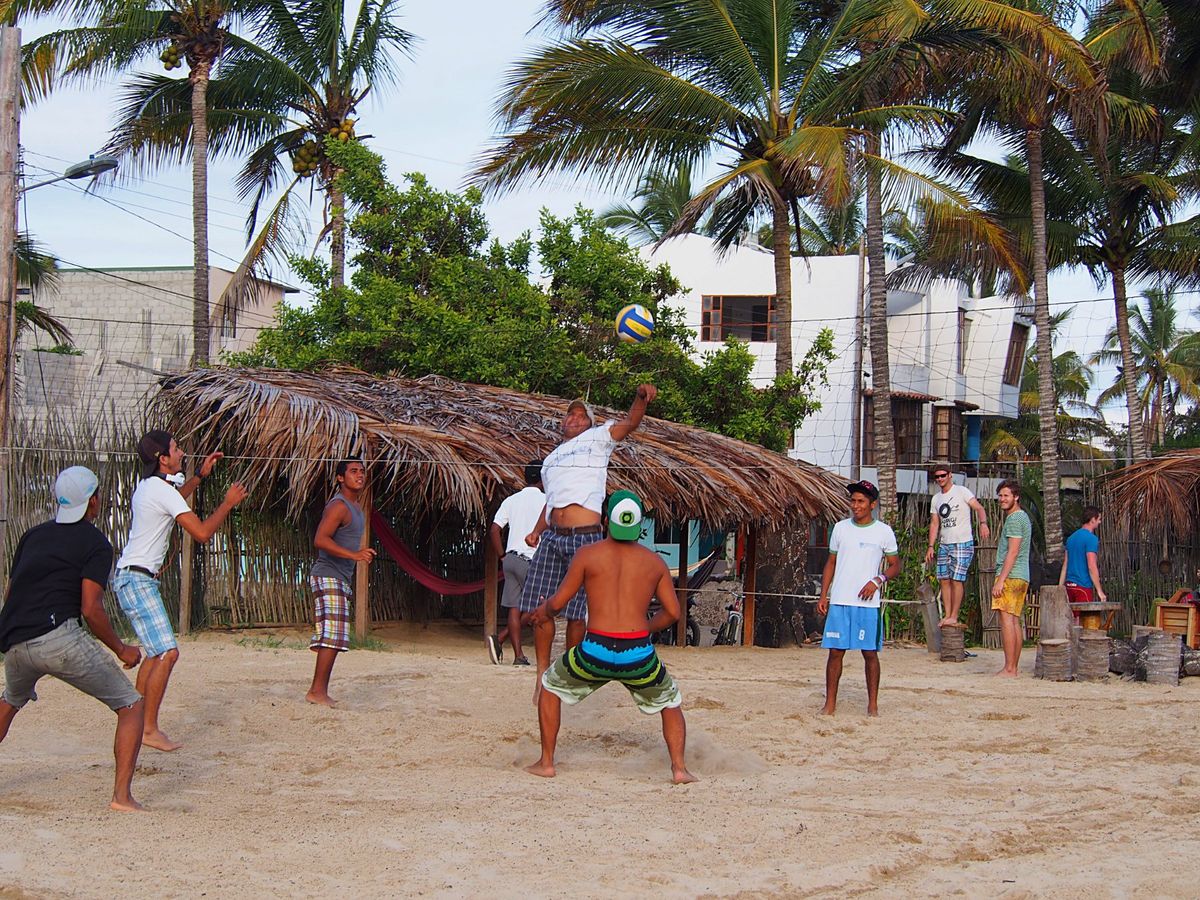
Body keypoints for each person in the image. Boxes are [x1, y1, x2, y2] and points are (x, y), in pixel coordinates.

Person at [0, 466, 146, 812]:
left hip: (15, 643)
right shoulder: (96, 543)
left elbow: (12, 590)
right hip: (58, 639)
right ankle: (122, 797)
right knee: (131, 705)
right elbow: (91, 608)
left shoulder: (32, 536)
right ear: (93, 501)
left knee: (9, 701)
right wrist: (122, 648)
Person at [526, 490, 696, 784]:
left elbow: (559, 602)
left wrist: (542, 612)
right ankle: (679, 769)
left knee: (550, 687)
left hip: (595, 650)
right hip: (638, 653)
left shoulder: (587, 555)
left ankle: (546, 763)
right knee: (670, 701)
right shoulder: (654, 563)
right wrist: (645, 628)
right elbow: (672, 613)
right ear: (639, 525)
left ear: (606, 521)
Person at [518, 384, 657, 701]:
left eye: (582, 415)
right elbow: (550, 501)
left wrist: (639, 398)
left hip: (585, 537)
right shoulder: (551, 459)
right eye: (571, 414)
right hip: (553, 536)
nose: (575, 418)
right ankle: (541, 675)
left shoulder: (598, 439)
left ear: (591, 423)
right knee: (539, 608)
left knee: (577, 613)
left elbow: (630, 423)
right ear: (563, 423)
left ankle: (567, 673)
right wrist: (537, 531)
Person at [113, 430, 247, 750]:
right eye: (176, 449)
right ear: (163, 458)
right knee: (168, 653)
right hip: (137, 580)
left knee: (156, 654)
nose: (181, 452)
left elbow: (177, 498)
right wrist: (227, 504)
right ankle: (148, 729)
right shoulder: (162, 490)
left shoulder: (151, 487)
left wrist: (200, 475)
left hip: (130, 578)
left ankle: (138, 723)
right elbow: (200, 533)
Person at [816, 480, 900, 717]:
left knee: (870, 653)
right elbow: (831, 563)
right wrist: (824, 594)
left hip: (867, 604)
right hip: (841, 600)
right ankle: (829, 704)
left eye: (861, 501)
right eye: (853, 500)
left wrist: (877, 581)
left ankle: (872, 705)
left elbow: (895, 565)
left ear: (872, 504)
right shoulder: (840, 528)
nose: (856, 505)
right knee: (835, 652)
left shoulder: (883, 531)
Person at [306, 459, 376, 707]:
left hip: (338, 576)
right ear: (340, 478)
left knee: (334, 636)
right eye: (353, 471)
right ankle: (316, 691)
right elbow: (320, 540)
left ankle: (319, 690)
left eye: (362, 472)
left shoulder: (356, 508)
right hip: (328, 574)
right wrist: (355, 555)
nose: (360, 475)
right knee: (332, 635)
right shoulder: (339, 506)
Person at [486, 460, 544, 666]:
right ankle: (501, 637)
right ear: (543, 478)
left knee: (514, 607)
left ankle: (518, 656)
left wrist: (502, 556)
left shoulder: (511, 500)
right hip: (532, 559)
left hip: (510, 559)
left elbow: (494, 530)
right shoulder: (546, 502)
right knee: (541, 606)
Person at [924, 464, 990, 626]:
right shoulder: (936, 498)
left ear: (950, 475)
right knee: (944, 579)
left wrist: (983, 523)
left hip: (962, 542)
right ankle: (948, 615)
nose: (940, 479)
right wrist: (931, 546)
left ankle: (954, 614)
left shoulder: (961, 491)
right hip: (945, 543)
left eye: (942, 475)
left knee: (957, 579)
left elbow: (979, 507)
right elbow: (934, 524)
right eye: (937, 477)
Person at [991, 479, 1032, 677]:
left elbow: (1013, 552)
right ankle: (1013, 668)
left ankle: (1009, 668)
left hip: (1011, 575)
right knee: (1014, 621)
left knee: (1007, 621)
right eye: (1000, 495)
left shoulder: (1015, 519)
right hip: (1021, 574)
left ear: (1016, 497)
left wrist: (1000, 580)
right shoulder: (1022, 517)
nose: (1002, 499)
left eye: (1006, 495)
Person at [1061, 506, 1107, 605]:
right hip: (1082, 585)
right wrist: (1099, 590)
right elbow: (1091, 565)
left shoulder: (1070, 538)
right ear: (1093, 520)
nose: (1100, 522)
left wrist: (1060, 586)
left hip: (1069, 585)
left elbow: (1065, 564)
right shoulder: (1091, 539)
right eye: (1099, 519)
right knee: (1084, 619)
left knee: (1072, 618)